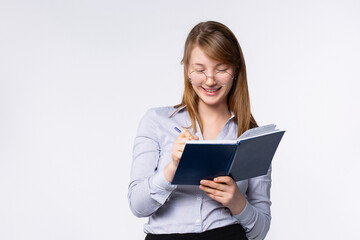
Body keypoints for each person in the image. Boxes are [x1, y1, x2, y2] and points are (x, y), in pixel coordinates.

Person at [128, 21, 271, 240]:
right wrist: (172, 169)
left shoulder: (251, 137)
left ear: (235, 70)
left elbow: (260, 232)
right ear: (187, 70)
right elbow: (138, 206)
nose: (210, 80)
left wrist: (237, 203)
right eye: (200, 70)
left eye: (221, 69)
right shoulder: (156, 121)